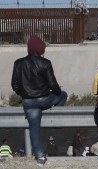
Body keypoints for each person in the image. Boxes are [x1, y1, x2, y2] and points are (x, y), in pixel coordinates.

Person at [11, 35, 68, 165]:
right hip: (45, 100)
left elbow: (14, 85)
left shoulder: (18, 63)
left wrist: (24, 94)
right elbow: (53, 84)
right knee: (63, 95)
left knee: (34, 129)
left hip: (28, 102)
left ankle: (40, 158)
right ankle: (56, 119)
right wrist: (57, 91)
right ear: (40, 49)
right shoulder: (45, 63)